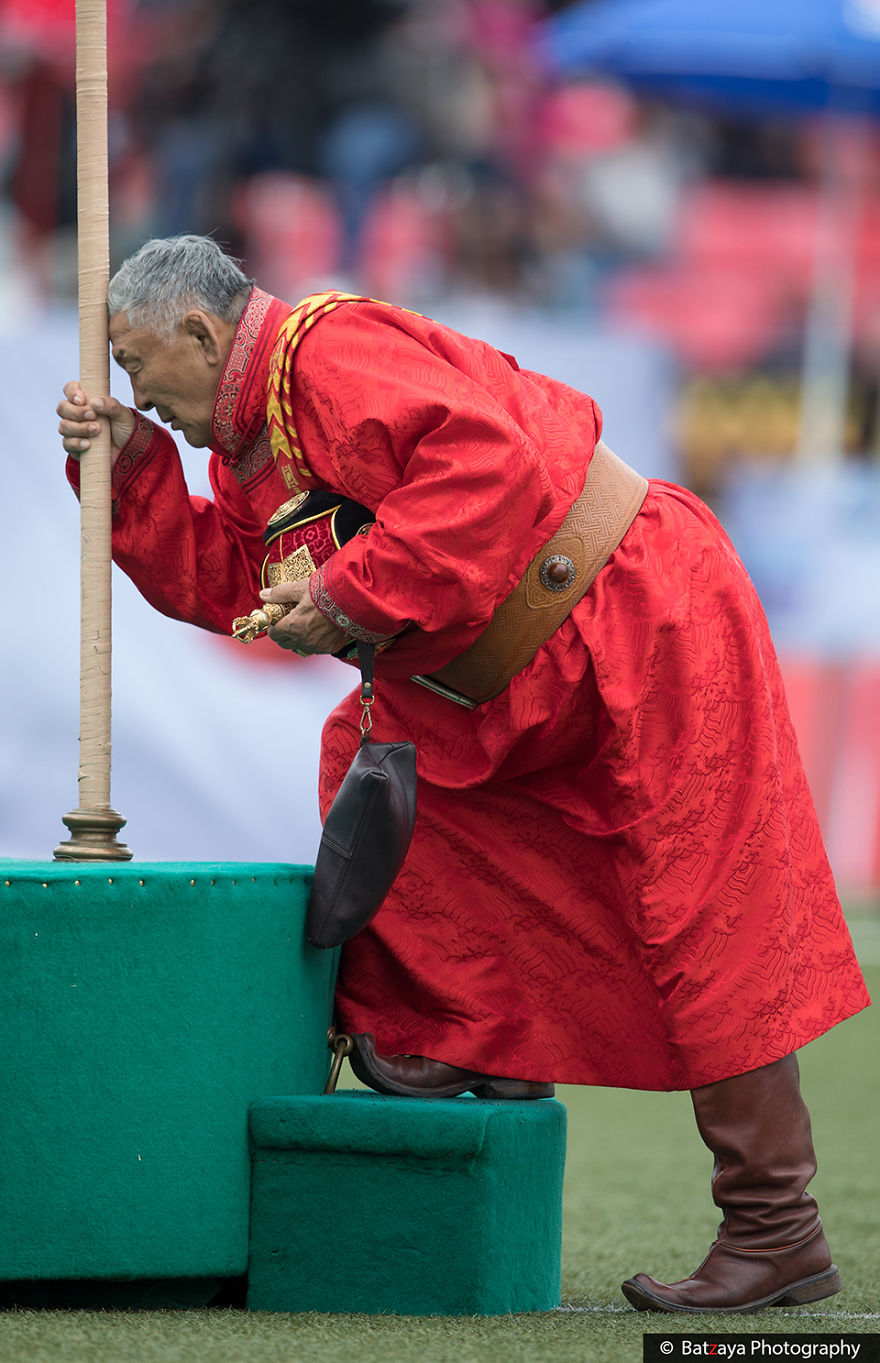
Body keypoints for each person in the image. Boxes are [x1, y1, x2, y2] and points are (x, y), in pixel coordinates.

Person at [58, 234, 869, 1315]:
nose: (134, 389)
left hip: (641, 611)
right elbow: (229, 583)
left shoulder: (329, 355)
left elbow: (485, 466)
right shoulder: (250, 441)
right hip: (522, 672)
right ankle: (468, 1038)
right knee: (380, 773)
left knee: (700, 911)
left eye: (136, 365)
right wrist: (126, 470)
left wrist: (349, 597)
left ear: (200, 333)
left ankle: (778, 1229)